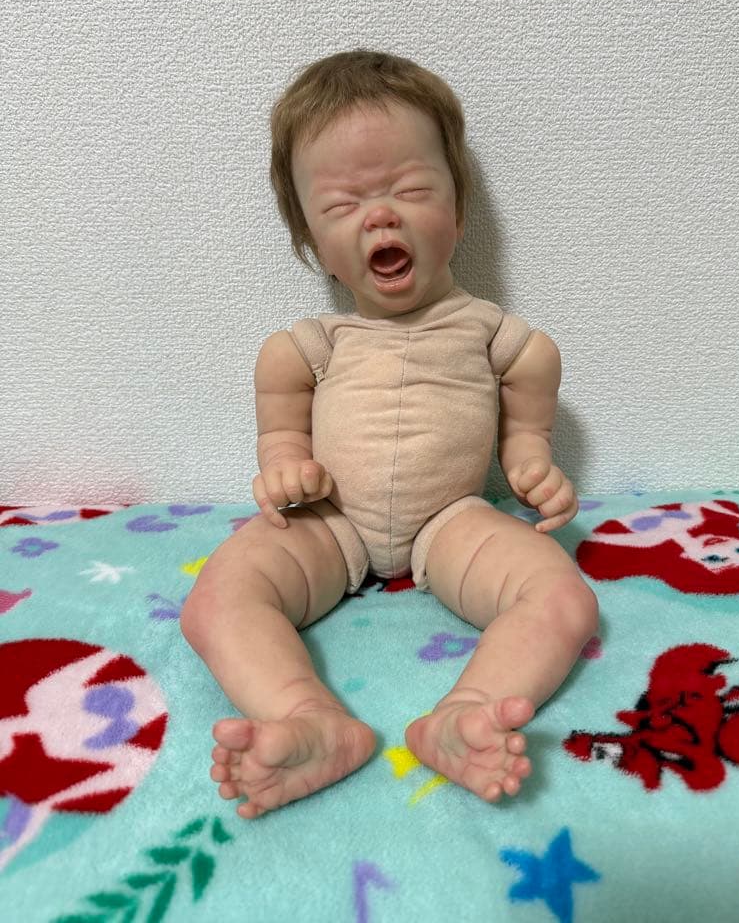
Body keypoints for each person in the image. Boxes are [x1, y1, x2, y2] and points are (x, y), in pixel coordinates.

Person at [180, 50, 598, 818]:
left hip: (453, 522)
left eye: (410, 190)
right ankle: (307, 718)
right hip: (329, 521)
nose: (380, 216)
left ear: (458, 211)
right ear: (312, 241)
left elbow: (534, 373)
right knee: (215, 599)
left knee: (562, 597)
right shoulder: (311, 346)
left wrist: (530, 456)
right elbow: (281, 420)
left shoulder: (487, 332)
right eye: (343, 204)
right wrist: (285, 464)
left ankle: (465, 715)